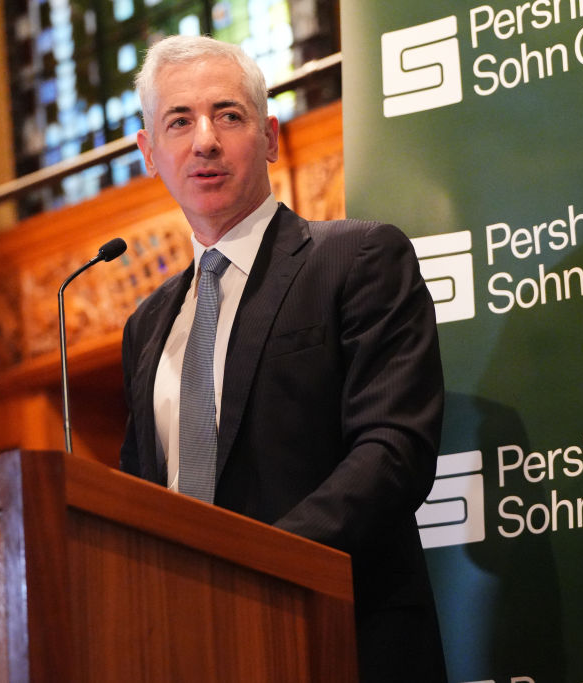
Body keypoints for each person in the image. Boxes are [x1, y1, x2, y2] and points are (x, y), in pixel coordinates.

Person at [119, 34, 447, 682]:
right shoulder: (147, 325)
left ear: (269, 136)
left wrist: (252, 567)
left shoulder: (358, 260)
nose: (204, 140)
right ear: (149, 152)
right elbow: (140, 499)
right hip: (189, 649)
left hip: (342, 638)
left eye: (228, 115)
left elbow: (394, 452)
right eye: (179, 121)